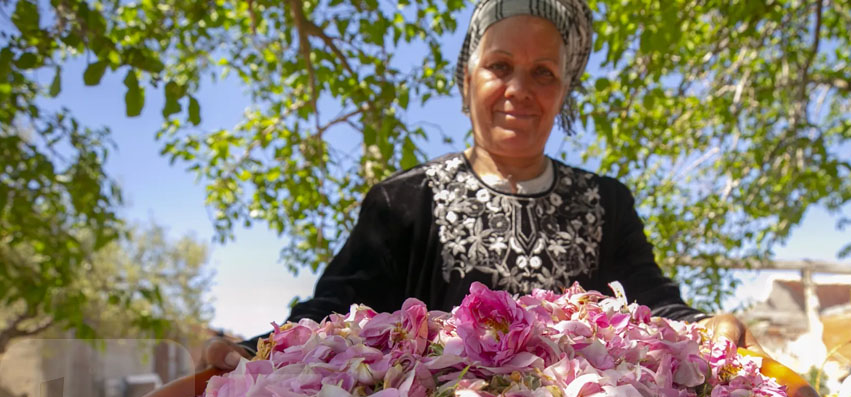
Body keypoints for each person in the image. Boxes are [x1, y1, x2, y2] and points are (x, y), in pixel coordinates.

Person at [201, 0, 758, 371]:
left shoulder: (606, 203)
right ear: (467, 80)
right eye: (500, 66)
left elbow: (652, 303)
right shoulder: (402, 202)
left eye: (544, 72)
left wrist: (708, 328)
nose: (520, 89)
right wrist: (254, 352)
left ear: (564, 93)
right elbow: (335, 310)